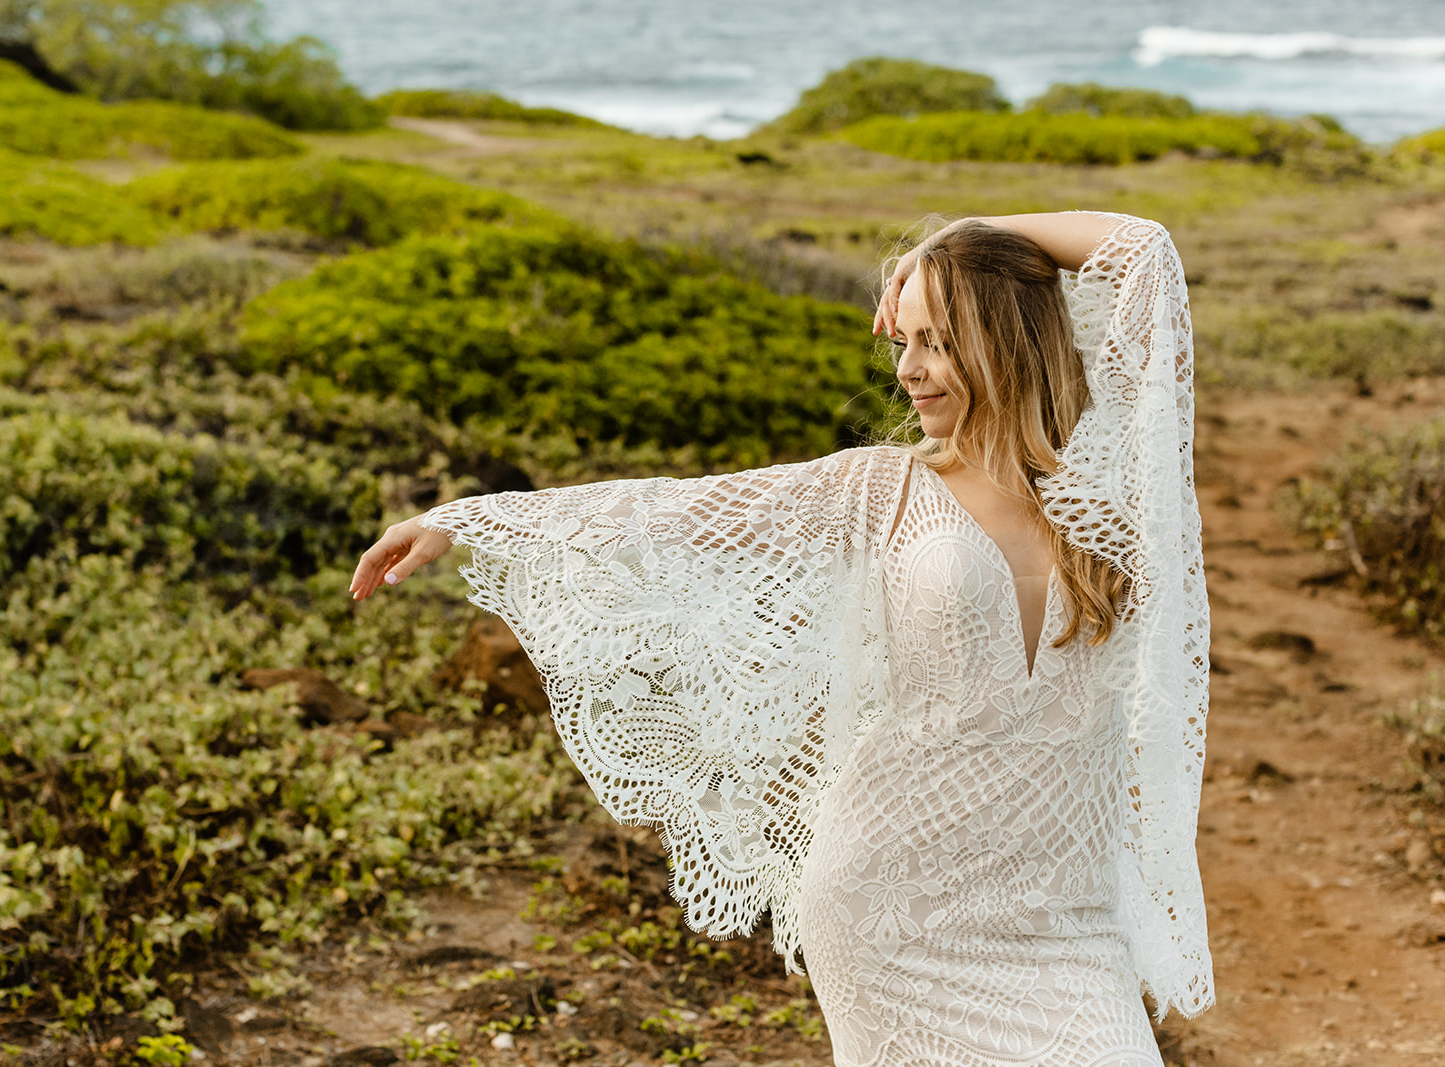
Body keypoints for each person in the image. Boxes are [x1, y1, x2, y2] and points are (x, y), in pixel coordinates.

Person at [349, 211, 1213, 1066]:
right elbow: (668, 513)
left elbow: (1143, 251)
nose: (908, 371)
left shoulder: (1111, 480)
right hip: (891, 900)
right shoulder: (880, 489)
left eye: (937, 343)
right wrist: (469, 523)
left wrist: (951, 238)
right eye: (902, 343)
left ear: (1008, 341)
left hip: (1064, 909)